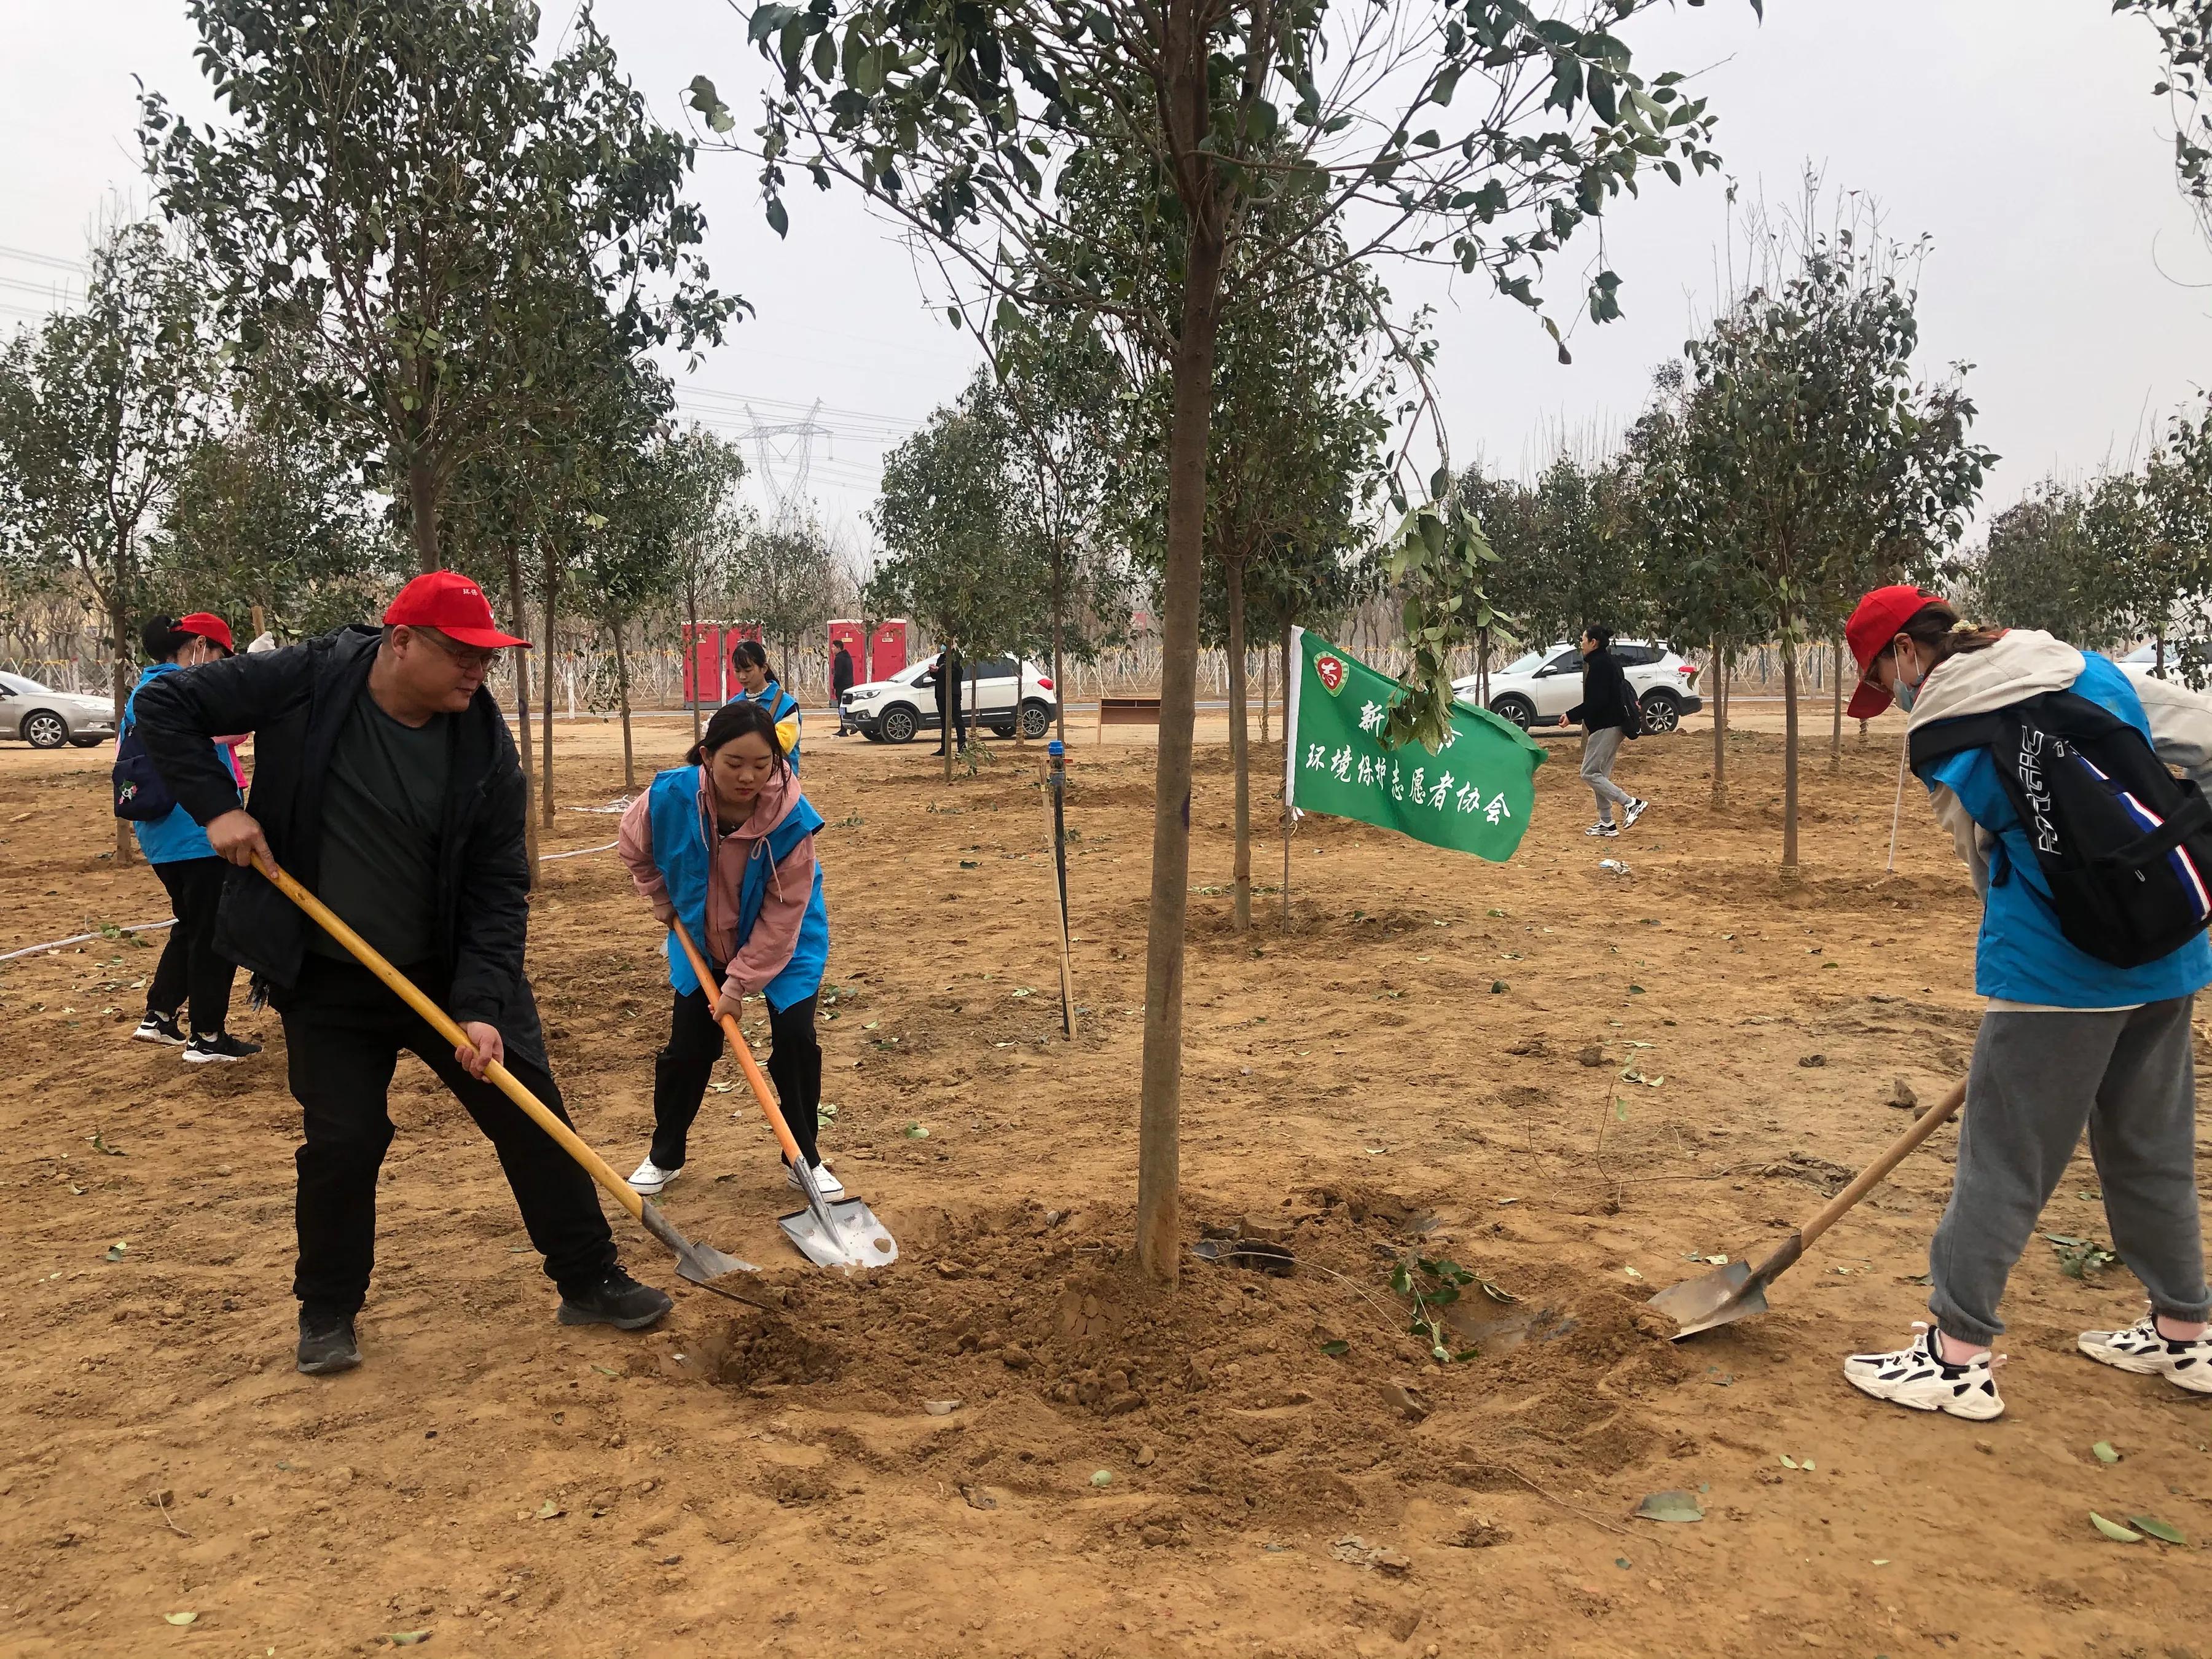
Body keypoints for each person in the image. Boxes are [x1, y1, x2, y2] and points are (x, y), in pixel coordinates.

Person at [133, 570, 670, 1376]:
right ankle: (327, 1310)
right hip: (327, 973)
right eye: (462, 655)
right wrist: (217, 806)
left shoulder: (485, 748)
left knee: (531, 1116)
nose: (477, 672)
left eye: (487, 659)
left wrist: (482, 1004)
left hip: (447, 971)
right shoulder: (311, 676)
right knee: (344, 1141)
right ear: (402, 642)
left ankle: (589, 1278)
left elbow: (498, 887)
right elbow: (165, 703)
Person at [1838, 585, 2212, 1421]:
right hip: (2170, 948)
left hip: (2054, 971)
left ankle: (1956, 1358)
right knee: (2151, 1147)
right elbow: (2207, 737)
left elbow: (1983, 865)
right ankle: (2186, 1333)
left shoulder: (1944, 729)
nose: (1893, 699)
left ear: (1906, 652)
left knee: (2003, 1160)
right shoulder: (2079, 668)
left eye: (1882, 678)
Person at [615, 699, 834, 1200]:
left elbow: (783, 915)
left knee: (797, 1043)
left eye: (762, 764)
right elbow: (634, 845)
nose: (748, 777)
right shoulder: (669, 797)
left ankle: (804, 1159)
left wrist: (737, 986)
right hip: (701, 931)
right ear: (707, 755)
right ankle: (664, 1155)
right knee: (689, 1049)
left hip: (786, 938)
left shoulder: (792, 820)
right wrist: (659, 896)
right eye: (734, 763)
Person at [125, 613, 261, 1063]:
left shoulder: (148, 687)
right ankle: (207, 1036)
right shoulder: (174, 689)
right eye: (222, 655)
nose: (222, 664)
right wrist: (261, 673)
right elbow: (232, 726)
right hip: (197, 833)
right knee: (215, 933)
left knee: (192, 924)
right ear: (200, 646)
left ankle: (160, 1014)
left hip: (167, 837)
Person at [1566, 626, 1648, 837]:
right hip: (1614, 725)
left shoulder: (1600, 665)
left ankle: (1630, 803)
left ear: (1594, 643)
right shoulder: (1609, 661)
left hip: (1606, 726)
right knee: (1599, 775)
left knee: (1589, 773)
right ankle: (1607, 823)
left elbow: (1597, 701)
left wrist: (1571, 715)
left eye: (1583, 640)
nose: (1581, 645)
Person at [728, 638, 801, 766]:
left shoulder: (786, 705)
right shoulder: (733, 705)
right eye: (737, 671)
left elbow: (783, 745)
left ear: (764, 668)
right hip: (742, 776)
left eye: (748, 670)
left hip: (778, 776)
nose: (742, 677)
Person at [927, 643, 965, 756]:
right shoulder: (941, 657)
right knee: (944, 722)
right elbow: (937, 676)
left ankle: (962, 748)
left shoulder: (956, 656)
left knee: (958, 720)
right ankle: (944, 748)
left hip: (953, 694)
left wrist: (940, 670)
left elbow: (957, 674)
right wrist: (933, 671)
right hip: (941, 693)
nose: (942, 646)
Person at [831, 638, 857, 735]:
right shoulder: (847, 656)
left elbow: (838, 674)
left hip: (842, 686)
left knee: (842, 708)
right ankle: (852, 725)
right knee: (848, 706)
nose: (832, 649)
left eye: (833, 647)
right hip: (849, 684)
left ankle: (843, 729)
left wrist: (835, 683)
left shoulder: (839, 658)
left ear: (838, 648)